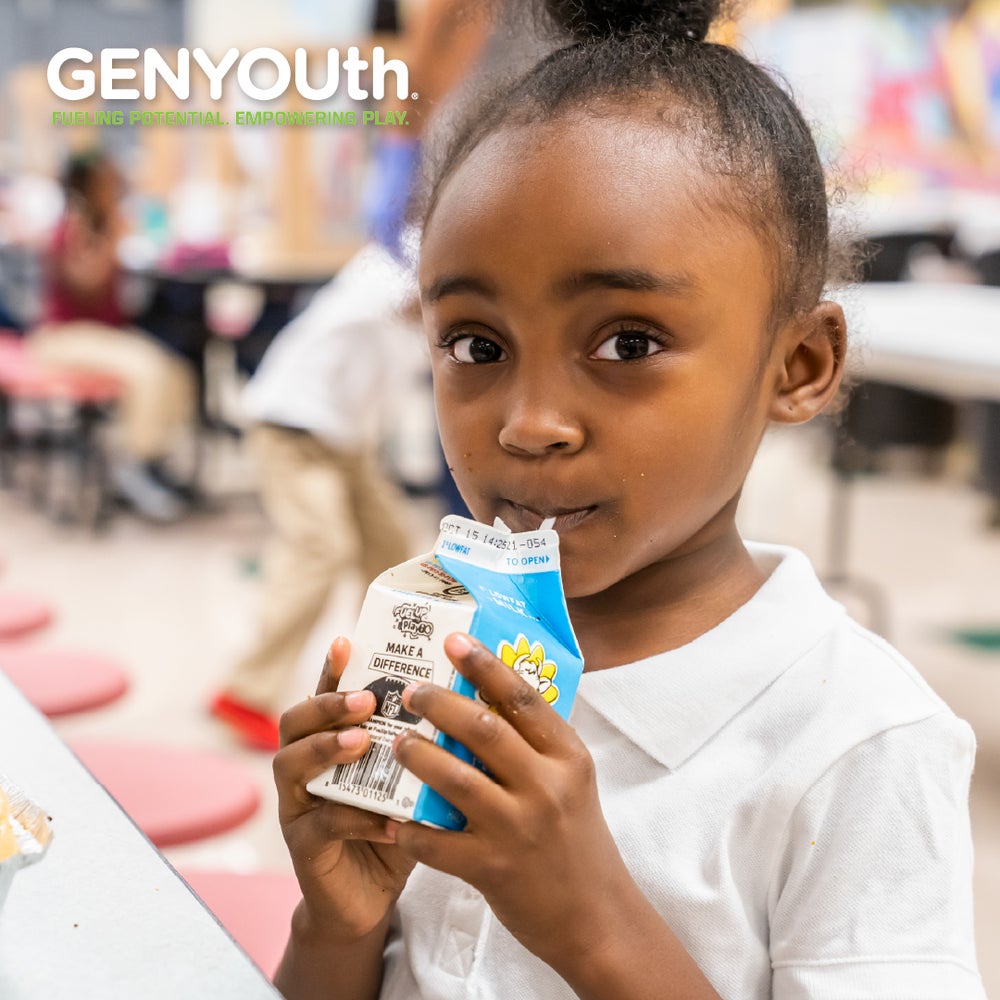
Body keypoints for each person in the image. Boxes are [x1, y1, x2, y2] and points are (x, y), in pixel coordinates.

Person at [271, 1, 986, 998]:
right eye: (476, 344)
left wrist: (589, 923)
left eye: (628, 343)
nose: (530, 424)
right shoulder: (444, 644)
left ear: (798, 365)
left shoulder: (856, 738)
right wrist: (335, 925)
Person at [209, 244, 418, 751]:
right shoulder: (382, 270)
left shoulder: (422, 311)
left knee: (394, 553)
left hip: (348, 442)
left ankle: (382, 682)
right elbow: (393, 297)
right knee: (321, 548)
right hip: (291, 429)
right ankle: (245, 692)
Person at [28, 149, 197, 522]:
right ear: (89, 186)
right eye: (108, 181)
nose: (115, 186)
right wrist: (113, 240)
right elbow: (85, 284)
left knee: (177, 371)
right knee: (149, 369)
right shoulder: (74, 225)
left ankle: (154, 458)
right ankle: (132, 466)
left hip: (101, 333)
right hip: (63, 336)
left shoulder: (105, 221)